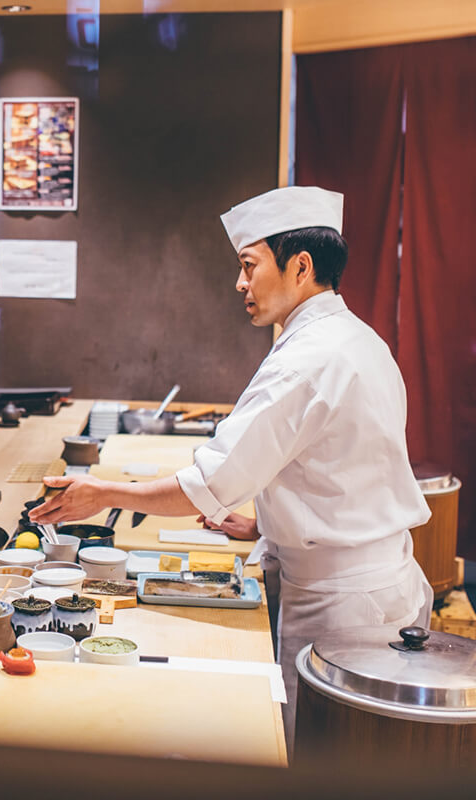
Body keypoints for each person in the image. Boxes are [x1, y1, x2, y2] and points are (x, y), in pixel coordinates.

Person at [29, 186, 431, 745]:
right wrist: (265, 525)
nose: (239, 284)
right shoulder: (356, 338)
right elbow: (343, 468)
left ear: (301, 266)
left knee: (311, 755)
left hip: (343, 605)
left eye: (248, 266)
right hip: (371, 580)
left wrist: (101, 493)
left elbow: (204, 488)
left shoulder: (308, 359)